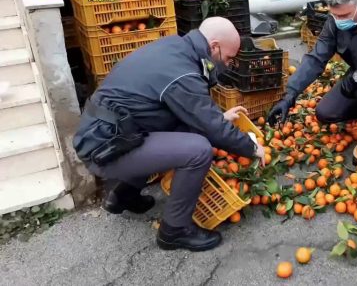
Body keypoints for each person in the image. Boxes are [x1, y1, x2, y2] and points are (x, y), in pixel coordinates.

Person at [72, 17, 266, 251]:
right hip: (104, 147)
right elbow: (209, 126)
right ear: (214, 47)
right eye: (228, 57)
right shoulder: (183, 72)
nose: (229, 63)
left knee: (185, 133)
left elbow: (188, 108)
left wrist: (218, 118)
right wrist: (253, 148)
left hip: (112, 134)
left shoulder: (176, 48)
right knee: (198, 150)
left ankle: (123, 195)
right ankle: (174, 231)